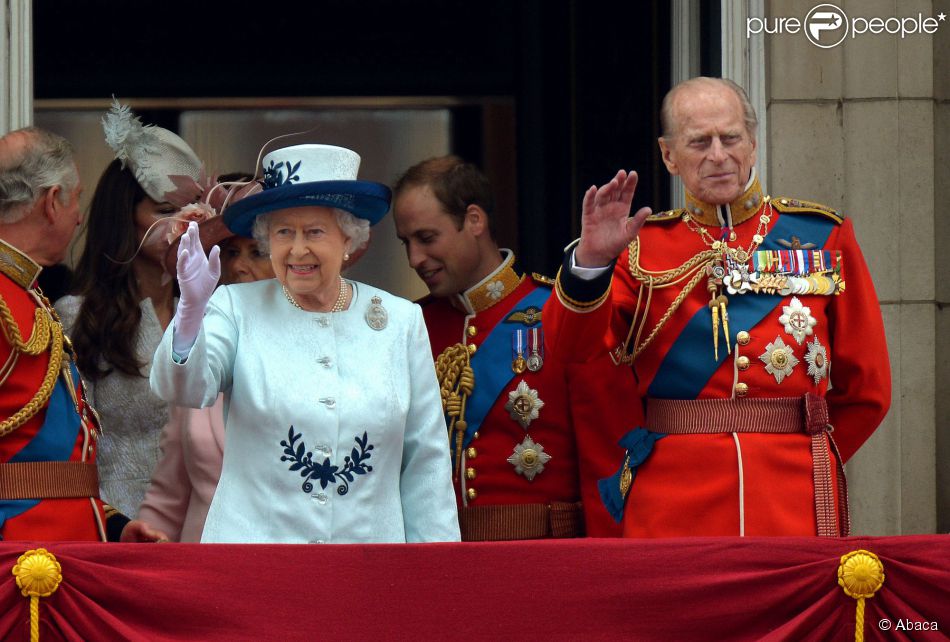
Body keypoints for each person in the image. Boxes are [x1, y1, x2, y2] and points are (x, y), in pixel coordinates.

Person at [546, 76, 891, 537]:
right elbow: (571, 348)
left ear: (752, 143)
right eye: (699, 142)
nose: (718, 155)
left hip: (791, 494)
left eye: (730, 138)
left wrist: (813, 462)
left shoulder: (823, 236)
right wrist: (591, 261)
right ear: (669, 155)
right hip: (672, 497)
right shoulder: (640, 249)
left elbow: (867, 390)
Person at [150, 142, 460, 544]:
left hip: (368, 569)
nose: (297, 249)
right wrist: (190, 313)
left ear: (348, 238)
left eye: (314, 231)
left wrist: (433, 573)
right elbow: (185, 388)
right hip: (255, 568)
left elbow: (426, 461)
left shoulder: (400, 322)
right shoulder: (235, 308)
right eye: (283, 232)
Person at [391, 156, 634, 540]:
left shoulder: (562, 314)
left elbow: (607, 459)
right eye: (406, 243)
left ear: (474, 220)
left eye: (426, 238)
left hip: (544, 564)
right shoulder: (410, 327)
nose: (414, 259)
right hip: (437, 562)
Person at [0, 126, 164, 542]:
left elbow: (56, 460)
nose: (78, 216)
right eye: (75, 200)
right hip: (19, 562)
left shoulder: (29, 294)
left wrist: (112, 526)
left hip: (60, 553)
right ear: (53, 202)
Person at [56, 100, 207, 518]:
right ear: (126, 219)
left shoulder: (213, 310)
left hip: (206, 525)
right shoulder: (76, 315)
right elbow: (69, 450)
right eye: (165, 211)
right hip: (118, 524)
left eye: (191, 209)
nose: (184, 222)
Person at [136, 177, 273, 542]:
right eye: (230, 253)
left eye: (257, 252)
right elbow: (171, 492)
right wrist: (143, 536)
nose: (239, 267)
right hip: (205, 571)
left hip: (288, 568)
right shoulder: (198, 349)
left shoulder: (317, 352)